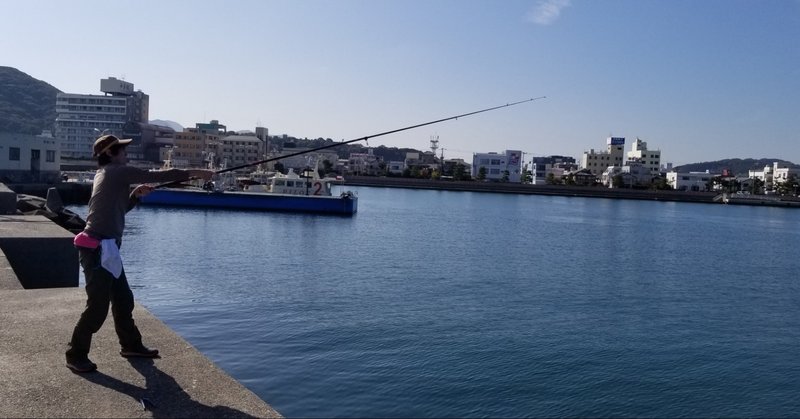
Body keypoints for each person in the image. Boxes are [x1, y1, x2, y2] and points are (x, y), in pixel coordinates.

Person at [65, 135, 214, 373]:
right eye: (122, 150)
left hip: (108, 249)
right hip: (97, 249)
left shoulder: (107, 174)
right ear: (111, 153)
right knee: (97, 307)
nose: (126, 154)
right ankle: (75, 354)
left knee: (123, 299)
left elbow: (120, 209)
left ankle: (131, 345)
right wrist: (197, 172)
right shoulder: (115, 171)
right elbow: (160, 176)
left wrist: (134, 196)